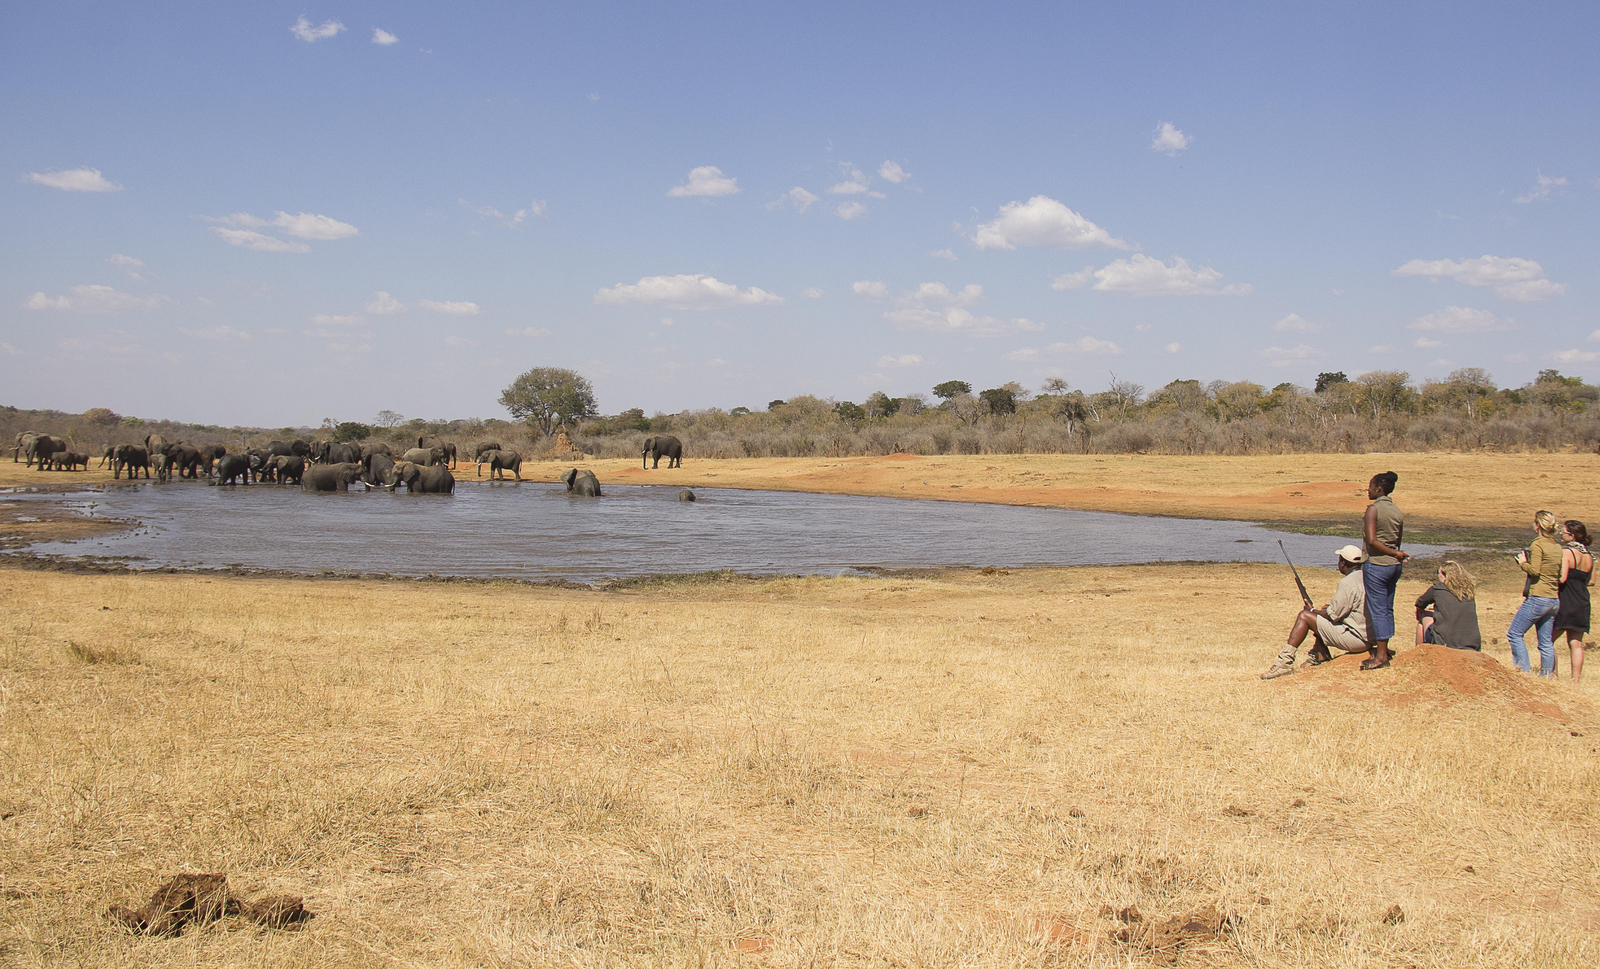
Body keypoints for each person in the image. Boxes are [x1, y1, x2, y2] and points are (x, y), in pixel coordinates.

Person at [1260, 545, 1371, 679]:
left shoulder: (1347, 583)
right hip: (1369, 636)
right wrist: (1323, 611)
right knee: (1319, 617)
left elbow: (1333, 615)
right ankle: (1319, 655)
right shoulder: (1368, 578)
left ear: (1343, 563)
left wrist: (1313, 610)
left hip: (1357, 639)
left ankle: (1284, 662)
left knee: (1305, 616)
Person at [1360, 471, 1407, 670]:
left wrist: (1393, 553)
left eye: (1370, 486)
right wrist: (1395, 554)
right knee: (1387, 608)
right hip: (1394, 566)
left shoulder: (1373, 510)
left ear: (1378, 489)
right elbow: (1397, 541)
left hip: (1377, 564)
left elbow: (1372, 541)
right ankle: (1384, 650)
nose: (1368, 490)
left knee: (1378, 609)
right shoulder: (1396, 510)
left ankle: (1380, 657)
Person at [1509, 510, 1564, 676]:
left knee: (1514, 633)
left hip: (1538, 597)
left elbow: (1535, 571)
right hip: (1553, 599)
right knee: (1546, 641)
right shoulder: (1557, 547)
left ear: (1538, 525)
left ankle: (1524, 672)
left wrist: (1523, 563)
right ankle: (1546, 676)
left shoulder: (1537, 545)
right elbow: (1560, 574)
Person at [1554, 519, 1594, 682]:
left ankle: (1553, 675)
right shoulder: (1589, 556)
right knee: (1576, 643)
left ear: (1572, 536)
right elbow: (1591, 581)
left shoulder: (1566, 553)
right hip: (1582, 600)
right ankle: (1575, 680)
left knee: (1548, 640)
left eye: (1563, 532)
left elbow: (1562, 578)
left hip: (1566, 600)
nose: (1560, 534)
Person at [1414, 560, 1482, 650]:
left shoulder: (1437, 589)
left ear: (1444, 576)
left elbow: (1420, 603)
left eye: (1438, 573)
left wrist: (1420, 612)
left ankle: (1419, 652)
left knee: (1424, 617)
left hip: (1444, 643)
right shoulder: (1468, 591)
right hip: (1471, 644)